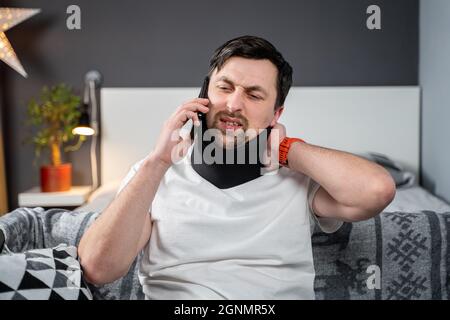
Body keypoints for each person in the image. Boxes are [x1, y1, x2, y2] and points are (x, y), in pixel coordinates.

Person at [78, 35, 396, 299]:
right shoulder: (152, 176)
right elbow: (96, 268)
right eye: (225, 87)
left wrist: (288, 149)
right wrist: (158, 162)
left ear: (276, 114)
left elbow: (376, 191)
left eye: (254, 95)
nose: (233, 104)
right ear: (204, 94)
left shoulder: (301, 180)